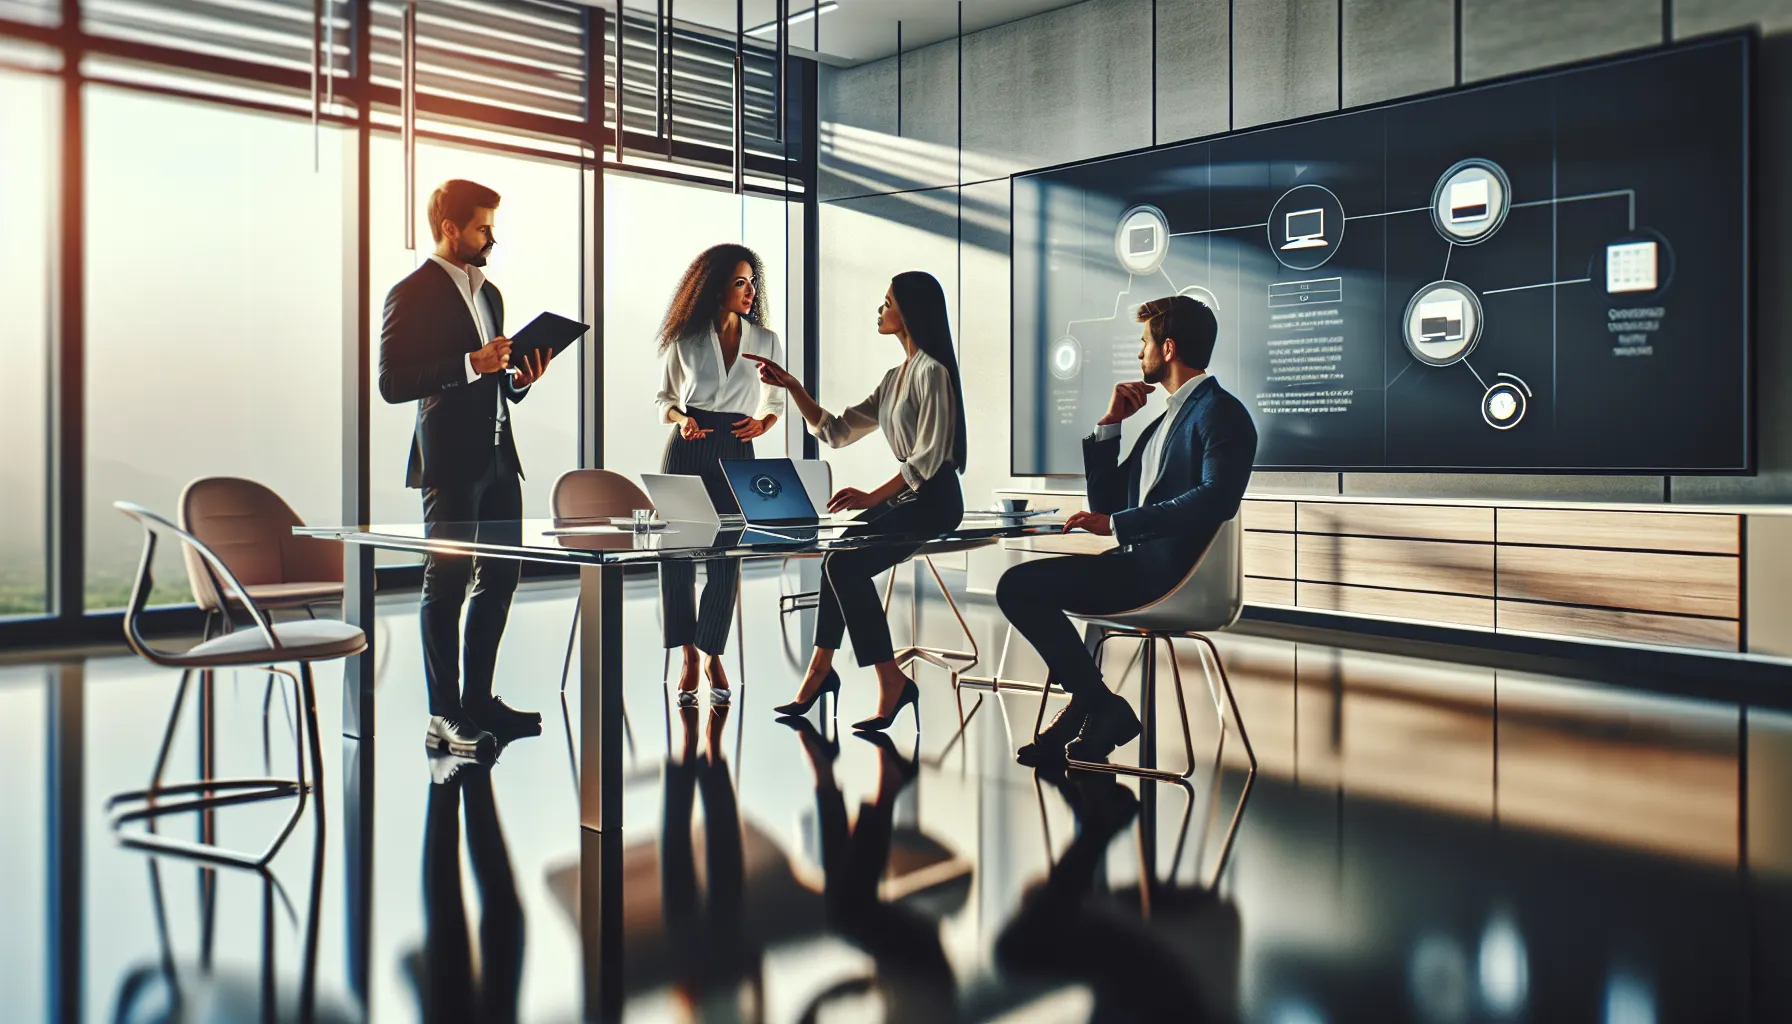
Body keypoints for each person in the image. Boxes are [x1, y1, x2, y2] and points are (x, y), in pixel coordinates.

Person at [996, 295, 1256, 764]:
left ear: (1169, 348)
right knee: (1020, 586)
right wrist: (1110, 424)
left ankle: (1096, 706)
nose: (1140, 354)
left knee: (1018, 587)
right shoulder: (1164, 422)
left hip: (1170, 576)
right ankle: (1098, 709)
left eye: (1144, 343)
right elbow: (1107, 504)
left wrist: (1118, 523)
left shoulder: (1221, 413)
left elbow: (1217, 498)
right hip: (1137, 567)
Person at [749, 271, 968, 732]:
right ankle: (823, 669)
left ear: (908, 311)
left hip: (936, 500)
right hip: (912, 495)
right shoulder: (895, 379)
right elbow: (836, 430)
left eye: (887, 301)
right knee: (839, 555)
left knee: (846, 564)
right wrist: (793, 388)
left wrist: (871, 496)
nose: (879, 308)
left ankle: (888, 680)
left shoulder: (934, 372)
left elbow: (927, 462)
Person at [379, 179, 551, 759]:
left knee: (501, 576)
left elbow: (494, 378)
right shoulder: (411, 292)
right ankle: (442, 716)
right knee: (446, 584)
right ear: (450, 228)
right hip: (450, 463)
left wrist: (517, 380)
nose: (491, 238)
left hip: (501, 459)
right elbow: (391, 383)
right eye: (482, 227)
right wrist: (466, 364)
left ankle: (477, 701)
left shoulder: (492, 294)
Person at [654, 244, 783, 706]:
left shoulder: (765, 339)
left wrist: (763, 424)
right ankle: (686, 652)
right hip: (689, 445)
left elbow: (776, 401)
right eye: (739, 282)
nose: (749, 291)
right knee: (677, 554)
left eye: (752, 283)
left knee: (727, 554)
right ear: (715, 287)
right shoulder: (684, 339)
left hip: (737, 447)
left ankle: (711, 651)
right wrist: (680, 418)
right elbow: (664, 398)